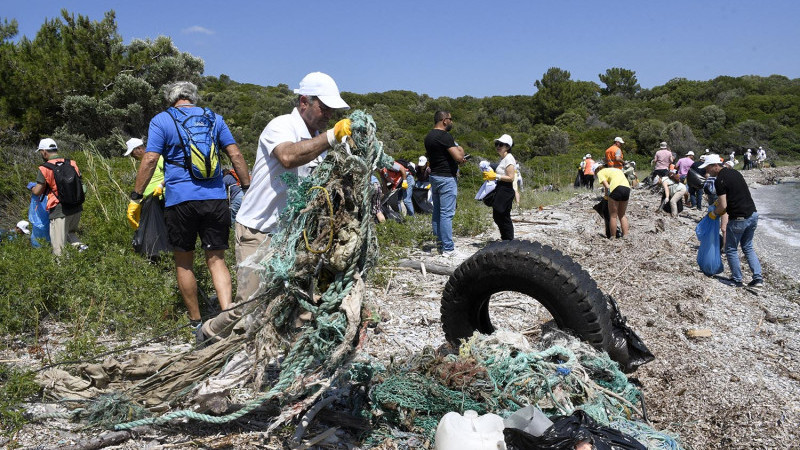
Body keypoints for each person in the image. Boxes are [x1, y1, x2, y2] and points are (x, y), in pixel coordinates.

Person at [128, 81, 251, 332]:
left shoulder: (162, 120)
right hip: (215, 198)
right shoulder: (214, 118)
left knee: (184, 262)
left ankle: (196, 323)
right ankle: (227, 317)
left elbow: (150, 159)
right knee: (217, 260)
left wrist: (136, 196)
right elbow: (236, 155)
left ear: (170, 98)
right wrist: (247, 188)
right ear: (193, 97)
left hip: (180, 200)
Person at [234, 72, 351, 308]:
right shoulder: (281, 125)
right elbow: (288, 156)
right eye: (324, 108)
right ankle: (210, 328)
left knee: (293, 307)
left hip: (292, 237)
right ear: (304, 102)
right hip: (259, 231)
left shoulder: (317, 139)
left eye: (332, 110)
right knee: (249, 308)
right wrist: (331, 137)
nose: (329, 115)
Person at [700, 154, 763, 288]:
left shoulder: (719, 180)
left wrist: (713, 213)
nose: (707, 171)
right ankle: (758, 278)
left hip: (738, 218)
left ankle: (736, 279)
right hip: (753, 215)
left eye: (708, 168)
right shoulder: (735, 173)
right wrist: (719, 204)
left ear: (715, 166)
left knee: (731, 249)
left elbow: (723, 206)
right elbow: (735, 194)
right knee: (748, 247)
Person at [31, 138, 87, 256]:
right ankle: (83, 250)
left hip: (59, 210)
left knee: (58, 246)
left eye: (41, 152)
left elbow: (38, 191)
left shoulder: (45, 168)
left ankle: (61, 266)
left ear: (44, 152)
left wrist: (31, 188)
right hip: (76, 207)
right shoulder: (72, 163)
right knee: (70, 233)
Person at [425, 110, 467, 257]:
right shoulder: (445, 136)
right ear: (444, 120)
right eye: (450, 119)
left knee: (437, 212)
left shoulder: (429, 136)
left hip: (434, 176)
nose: (451, 122)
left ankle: (440, 245)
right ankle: (448, 249)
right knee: (446, 214)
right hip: (446, 178)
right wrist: (460, 150)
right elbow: (458, 157)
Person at [482, 134, 516, 240]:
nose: (498, 146)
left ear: (507, 147)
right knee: (498, 215)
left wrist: (495, 176)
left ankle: (509, 240)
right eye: (497, 144)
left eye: (501, 144)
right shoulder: (503, 159)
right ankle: (505, 239)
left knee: (503, 215)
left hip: (506, 189)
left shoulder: (509, 158)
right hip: (501, 188)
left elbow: (511, 177)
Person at [595, 166, 630, 239]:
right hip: (627, 188)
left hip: (616, 189)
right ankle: (626, 235)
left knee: (613, 215)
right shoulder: (616, 170)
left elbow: (607, 186)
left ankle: (613, 237)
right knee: (622, 215)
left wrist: (606, 198)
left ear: (597, 170)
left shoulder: (600, 172)